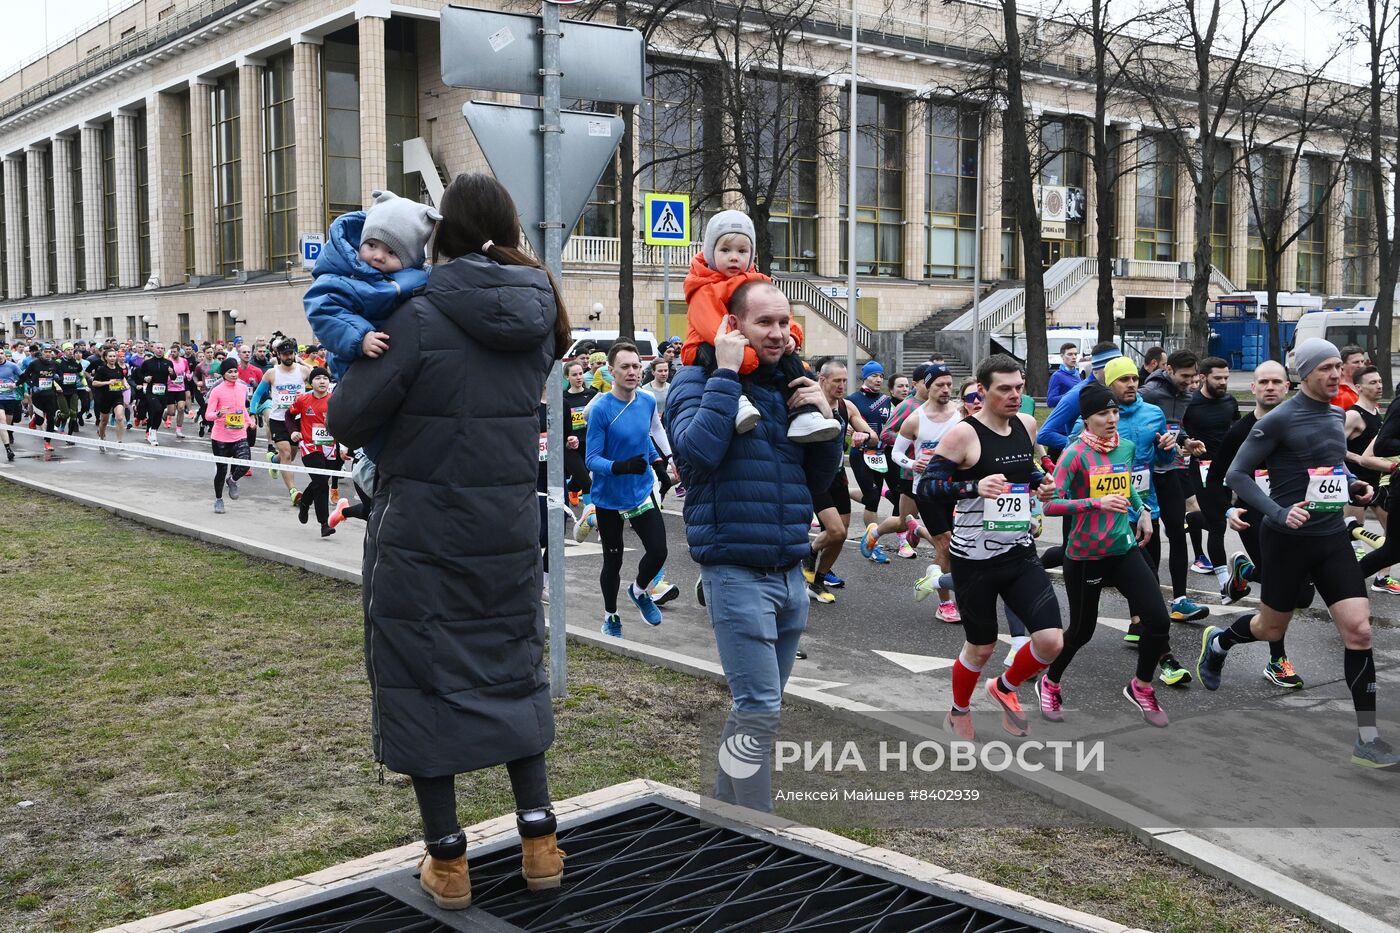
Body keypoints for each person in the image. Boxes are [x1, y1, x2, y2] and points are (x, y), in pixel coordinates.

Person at [326, 172, 568, 907]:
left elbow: (347, 418)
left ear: (442, 235)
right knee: (513, 668)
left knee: (421, 678)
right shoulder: (541, 312)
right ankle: (541, 844)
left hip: (424, 534)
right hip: (504, 528)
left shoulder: (420, 317)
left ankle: (450, 861)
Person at [666, 280, 842, 811]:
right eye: (763, 322)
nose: (778, 332)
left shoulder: (787, 387)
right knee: (759, 706)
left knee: (759, 707)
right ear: (732, 324)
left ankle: (724, 817)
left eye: (784, 321)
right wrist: (723, 374)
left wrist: (827, 421)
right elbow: (694, 459)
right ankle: (760, 831)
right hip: (734, 571)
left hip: (791, 572)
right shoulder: (694, 380)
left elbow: (816, 484)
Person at [1207, 339, 1398, 768]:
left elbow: (1331, 466)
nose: (1336, 375)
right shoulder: (1278, 420)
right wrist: (1277, 511)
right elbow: (1237, 474)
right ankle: (1220, 641)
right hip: (1287, 539)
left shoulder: (1335, 414)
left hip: (1330, 536)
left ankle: (1367, 737)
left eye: (1339, 367)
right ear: (1305, 374)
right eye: (1326, 368)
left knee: (1360, 632)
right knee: (1271, 629)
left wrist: (1352, 485)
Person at [917, 354, 1063, 741]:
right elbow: (927, 488)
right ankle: (958, 711)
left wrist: (1040, 481)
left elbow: (1023, 469)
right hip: (974, 561)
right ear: (982, 392)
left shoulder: (1027, 425)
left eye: (1019, 388)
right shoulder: (963, 434)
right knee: (979, 649)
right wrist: (971, 487)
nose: (1015, 395)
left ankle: (1005, 687)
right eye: (1005, 389)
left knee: (1051, 641)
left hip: (1019, 551)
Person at [1040, 382, 1170, 725]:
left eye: (1114, 412)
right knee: (1082, 631)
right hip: (1086, 555)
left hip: (1123, 548)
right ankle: (1051, 682)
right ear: (1086, 419)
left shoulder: (1124, 447)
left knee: (1158, 621)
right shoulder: (1074, 454)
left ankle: (1141, 686)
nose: (1112, 418)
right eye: (1103, 413)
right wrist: (1095, 503)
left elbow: (1125, 484)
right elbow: (1051, 505)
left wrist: (1141, 511)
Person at [681, 209, 836, 443]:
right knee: (716, 352)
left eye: (742, 251)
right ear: (711, 252)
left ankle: (804, 412)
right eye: (725, 250)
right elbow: (714, 328)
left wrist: (791, 335)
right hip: (714, 346)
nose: (734, 257)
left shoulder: (758, 281)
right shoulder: (704, 287)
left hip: (749, 352)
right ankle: (738, 399)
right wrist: (747, 357)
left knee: (791, 357)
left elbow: (782, 313)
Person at [1205, 360, 1303, 687]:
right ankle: (1277, 660)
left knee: (1302, 594)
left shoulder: (1299, 424)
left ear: (1288, 387)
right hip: (1255, 519)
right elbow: (1216, 478)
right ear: (1253, 388)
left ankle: (1246, 572)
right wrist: (1227, 512)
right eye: (1264, 382)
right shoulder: (1239, 432)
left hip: (1297, 516)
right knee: (1279, 591)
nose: (1270, 387)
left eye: (1277, 381)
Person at [584, 341, 672, 639]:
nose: (632, 371)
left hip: (640, 490)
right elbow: (591, 459)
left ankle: (639, 591)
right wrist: (620, 466)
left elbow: (643, 437)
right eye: (625, 367)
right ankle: (611, 616)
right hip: (609, 496)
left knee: (659, 550)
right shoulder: (600, 410)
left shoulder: (646, 401)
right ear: (611, 372)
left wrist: (658, 461)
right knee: (614, 559)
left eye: (636, 366)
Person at [304, 188, 441, 379]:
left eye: (391, 252)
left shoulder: (418, 279)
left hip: (395, 363)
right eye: (371, 245)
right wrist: (360, 337)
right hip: (355, 363)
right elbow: (323, 309)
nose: (378, 256)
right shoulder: (341, 277)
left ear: (409, 261)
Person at [1139, 349, 1210, 622]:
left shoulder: (1187, 395)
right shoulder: (1150, 393)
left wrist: (1185, 441)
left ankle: (1180, 600)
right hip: (1148, 475)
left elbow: (1172, 427)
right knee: (1151, 537)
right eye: (1185, 376)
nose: (1190, 383)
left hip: (1170, 470)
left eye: (1194, 378)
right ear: (1169, 370)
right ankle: (1151, 602)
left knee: (1178, 533)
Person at [805, 359, 880, 605]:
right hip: (814, 477)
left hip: (837, 476)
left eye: (845, 380)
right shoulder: (808, 404)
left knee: (841, 535)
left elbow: (873, 437)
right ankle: (811, 551)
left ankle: (818, 581)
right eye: (837, 380)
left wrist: (864, 435)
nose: (841, 385)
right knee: (834, 530)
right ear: (822, 380)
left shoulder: (846, 407)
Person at [896, 364, 963, 622]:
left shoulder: (959, 415)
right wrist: (913, 464)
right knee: (947, 545)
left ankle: (917, 530)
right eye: (940, 385)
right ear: (927, 387)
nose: (946, 389)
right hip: (926, 490)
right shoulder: (915, 419)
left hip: (957, 489)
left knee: (957, 545)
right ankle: (945, 603)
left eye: (949, 384)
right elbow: (896, 453)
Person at [1181, 356, 1239, 588]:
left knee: (1217, 518)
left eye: (1226, 377)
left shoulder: (1230, 402)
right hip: (1200, 469)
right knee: (1218, 524)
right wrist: (1186, 444)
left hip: (1226, 468)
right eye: (1218, 378)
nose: (1223, 382)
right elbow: (1177, 430)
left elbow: (1235, 431)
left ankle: (1191, 519)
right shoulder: (1190, 403)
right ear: (1204, 377)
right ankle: (1225, 581)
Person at [252, 338, 312, 507]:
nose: (288, 356)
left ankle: (274, 461)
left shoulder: (303, 371)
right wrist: (251, 412)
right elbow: (257, 394)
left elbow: (320, 377)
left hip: (298, 419)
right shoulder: (272, 373)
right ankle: (294, 492)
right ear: (278, 355)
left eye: (291, 353)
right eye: (285, 354)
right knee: (286, 454)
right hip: (278, 419)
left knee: (291, 455)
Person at [286, 367, 343, 537]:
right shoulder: (303, 400)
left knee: (320, 481)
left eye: (325, 378)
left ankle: (304, 502)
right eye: (318, 378)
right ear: (311, 383)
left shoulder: (335, 401)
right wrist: (293, 431)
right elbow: (289, 416)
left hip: (330, 447)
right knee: (321, 484)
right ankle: (324, 524)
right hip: (309, 446)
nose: (322, 381)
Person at [849, 360, 896, 561]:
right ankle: (873, 543)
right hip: (860, 453)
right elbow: (846, 421)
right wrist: (850, 429)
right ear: (865, 377)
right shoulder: (853, 400)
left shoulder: (887, 400)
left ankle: (845, 492)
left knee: (874, 497)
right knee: (873, 498)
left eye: (881, 376)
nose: (878, 379)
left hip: (881, 455)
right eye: (874, 375)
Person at [1343, 365, 1385, 555]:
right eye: (1373, 383)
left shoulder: (1377, 413)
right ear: (1358, 388)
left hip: (1379, 482)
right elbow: (1332, 449)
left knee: (1392, 535)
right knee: (1352, 541)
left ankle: (1382, 578)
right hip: (1358, 485)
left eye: (1380, 381)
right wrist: (1359, 459)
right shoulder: (1353, 416)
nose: (1379, 386)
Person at [202, 359, 252, 514]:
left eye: (235, 371)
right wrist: (218, 413)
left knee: (245, 464)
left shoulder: (243, 388)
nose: (233, 374)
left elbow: (242, 408)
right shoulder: (217, 391)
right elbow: (208, 415)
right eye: (230, 372)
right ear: (223, 374)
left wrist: (249, 421)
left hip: (239, 433)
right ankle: (218, 500)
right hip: (221, 437)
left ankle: (232, 480)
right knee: (221, 470)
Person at [20, 345, 63, 452]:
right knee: (40, 421)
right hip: (38, 396)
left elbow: (62, 376)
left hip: (50, 395)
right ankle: (35, 420)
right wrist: (32, 385)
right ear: (42, 352)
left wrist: (58, 378)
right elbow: (25, 376)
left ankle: (47, 442)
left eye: (50, 351)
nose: (48, 353)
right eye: (46, 351)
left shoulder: (54, 364)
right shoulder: (34, 364)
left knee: (50, 418)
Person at [89, 348, 130, 449]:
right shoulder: (101, 369)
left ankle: (119, 442)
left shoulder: (118, 369)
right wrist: (107, 382)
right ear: (106, 358)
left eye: (114, 356)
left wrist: (126, 384)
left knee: (120, 417)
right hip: (105, 397)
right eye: (110, 356)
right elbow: (94, 383)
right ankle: (102, 437)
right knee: (104, 421)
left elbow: (122, 378)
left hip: (117, 396)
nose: (112, 358)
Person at [1046, 341, 1083, 409]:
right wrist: (1071, 395)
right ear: (1062, 356)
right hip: (1065, 415)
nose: (1074, 357)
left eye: (1075, 354)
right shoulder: (1057, 376)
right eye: (1070, 354)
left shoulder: (1077, 373)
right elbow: (1050, 401)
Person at [1332, 344, 1366, 411]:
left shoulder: (1366, 385)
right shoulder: (1336, 389)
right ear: (1342, 365)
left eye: (1362, 361)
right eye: (1356, 362)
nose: (1361, 365)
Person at [0, 352, 21, 460]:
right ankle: (8, 449)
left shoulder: (12, 366)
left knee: (7, 425)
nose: (0, 355)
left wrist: (15, 384)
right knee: (2, 421)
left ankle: (8, 434)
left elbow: (23, 377)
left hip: (10, 398)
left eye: (1, 353)